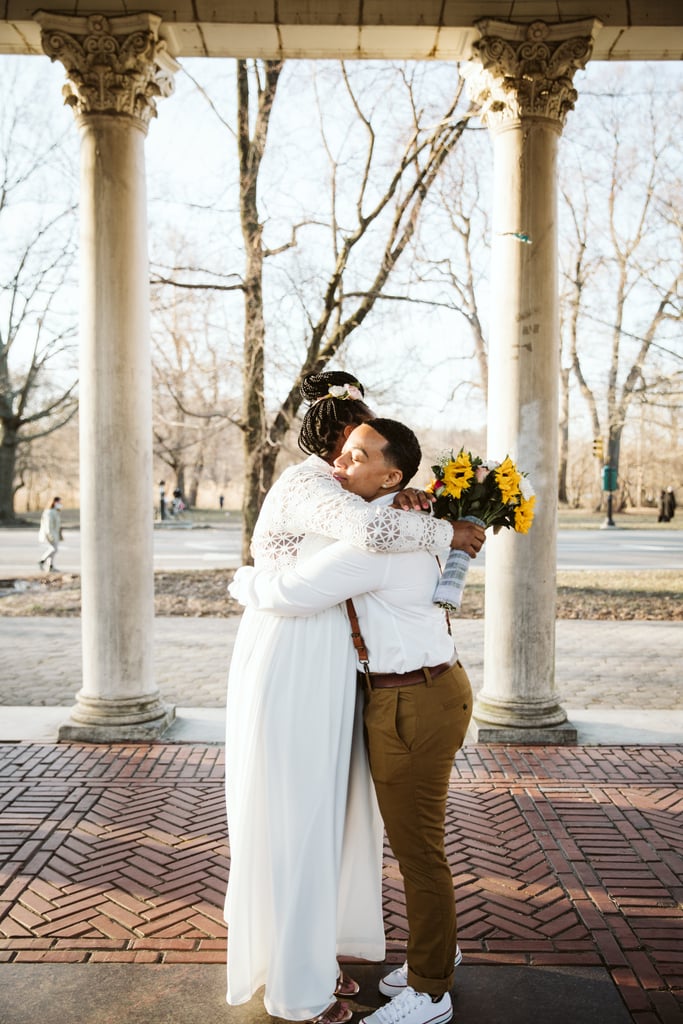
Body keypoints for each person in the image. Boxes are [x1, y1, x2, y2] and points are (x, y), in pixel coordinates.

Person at [224, 371, 484, 1024]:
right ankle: (310, 977)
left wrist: (247, 584)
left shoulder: (370, 511)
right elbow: (362, 542)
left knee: (338, 827)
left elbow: (349, 550)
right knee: (304, 823)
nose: (347, 459)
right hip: (302, 666)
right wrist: (443, 525)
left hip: (357, 678)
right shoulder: (322, 489)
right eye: (350, 443)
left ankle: (384, 973)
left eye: (361, 451)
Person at [38, 496, 63, 572]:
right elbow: (48, 525)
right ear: (54, 502)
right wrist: (50, 535)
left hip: (54, 534)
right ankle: (42, 560)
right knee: (54, 549)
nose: (60, 504)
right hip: (50, 534)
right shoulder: (49, 512)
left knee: (54, 549)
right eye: (59, 502)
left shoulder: (55, 511)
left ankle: (50, 566)